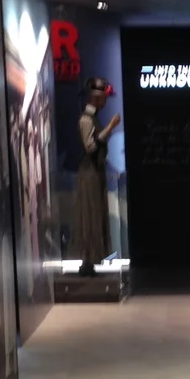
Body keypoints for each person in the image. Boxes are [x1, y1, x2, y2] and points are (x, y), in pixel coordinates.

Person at [74, 77, 120, 275]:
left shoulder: (92, 118)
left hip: (96, 172)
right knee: (89, 215)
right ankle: (87, 259)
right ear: (95, 97)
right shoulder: (86, 119)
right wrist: (110, 127)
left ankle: (91, 259)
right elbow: (90, 147)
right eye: (104, 98)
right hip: (89, 173)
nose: (106, 101)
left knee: (96, 214)